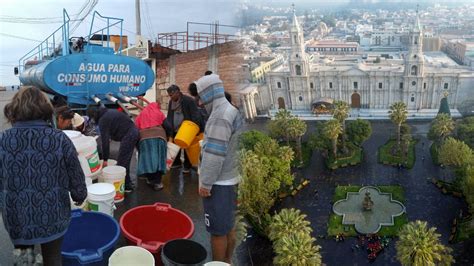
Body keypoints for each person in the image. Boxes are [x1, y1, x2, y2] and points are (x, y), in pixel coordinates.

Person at [0, 86, 87, 265]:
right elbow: (75, 173)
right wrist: (79, 195)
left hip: (17, 216)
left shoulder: (3, 140)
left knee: (24, 259)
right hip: (53, 215)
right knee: (53, 258)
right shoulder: (59, 139)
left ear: (14, 109)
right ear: (45, 109)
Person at [195, 74, 243, 263]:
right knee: (228, 226)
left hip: (219, 183)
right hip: (231, 178)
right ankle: (227, 261)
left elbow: (215, 155)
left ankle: (217, 263)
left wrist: (205, 183)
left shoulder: (220, 117)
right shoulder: (230, 110)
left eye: (201, 96)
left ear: (209, 94)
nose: (199, 102)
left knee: (217, 233)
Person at [88, 107, 139, 192]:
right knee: (124, 160)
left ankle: (127, 186)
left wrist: (105, 159)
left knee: (122, 162)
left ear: (94, 115)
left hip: (129, 135)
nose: (92, 120)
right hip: (133, 131)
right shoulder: (108, 112)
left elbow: (105, 141)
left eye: (92, 118)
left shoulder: (103, 120)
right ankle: (127, 184)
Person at [166, 84, 203, 174]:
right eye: (169, 95)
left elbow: (195, 115)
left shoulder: (188, 100)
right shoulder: (171, 102)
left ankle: (187, 165)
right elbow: (170, 115)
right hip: (175, 128)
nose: (170, 97)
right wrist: (169, 127)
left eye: (171, 95)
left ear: (177, 92)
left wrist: (196, 129)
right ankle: (177, 162)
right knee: (175, 146)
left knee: (186, 147)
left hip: (186, 129)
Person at [135, 102, 170, 191]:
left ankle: (150, 179)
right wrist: (169, 137)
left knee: (148, 159)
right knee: (158, 159)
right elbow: (168, 126)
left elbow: (136, 128)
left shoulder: (142, 114)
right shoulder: (159, 113)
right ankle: (158, 182)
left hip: (144, 139)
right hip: (160, 138)